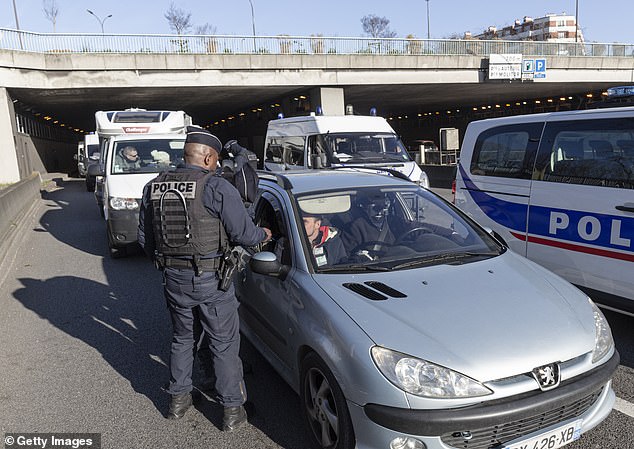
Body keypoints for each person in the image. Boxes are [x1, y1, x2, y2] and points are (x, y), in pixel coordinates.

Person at [138, 126, 272, 431]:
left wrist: (171, 265)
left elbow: (144, 239)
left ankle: (177, 401)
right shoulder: (217, 187)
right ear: (209, 157)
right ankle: (231, 410)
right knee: (223, 343)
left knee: (182, 338)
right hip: (212, 280)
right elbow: (244, 235)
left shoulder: (154, 186)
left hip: (174, 278)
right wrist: (263, 233)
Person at [343, 191, 399, 258]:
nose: (379, 211)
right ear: (365, 207)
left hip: (400, 262)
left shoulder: (395, 222)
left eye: (383, 205)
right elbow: (346, 257)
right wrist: (359, 256)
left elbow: (412, 237)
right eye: (374, 205)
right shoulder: (355, 228)